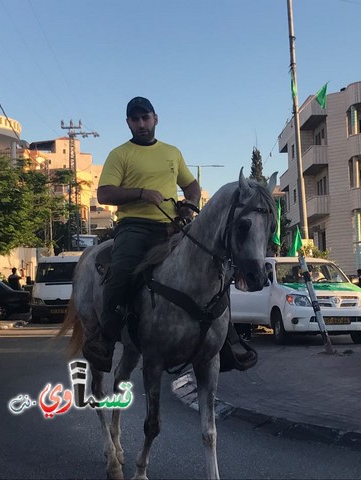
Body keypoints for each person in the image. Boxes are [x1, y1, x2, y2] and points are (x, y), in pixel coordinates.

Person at [82, 96, 256, 373]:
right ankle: (105, 339)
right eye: (135, 119)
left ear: (155, 118)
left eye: (145, 118)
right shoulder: (120, 154)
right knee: (122, 271)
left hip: (172, 228)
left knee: (213, 271)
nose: (141, 124)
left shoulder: (172, 153)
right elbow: (104, 193)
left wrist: (189, 204)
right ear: (128, 122)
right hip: (134, 228)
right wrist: (140, 194)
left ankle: (224, 341)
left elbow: (191, 185)